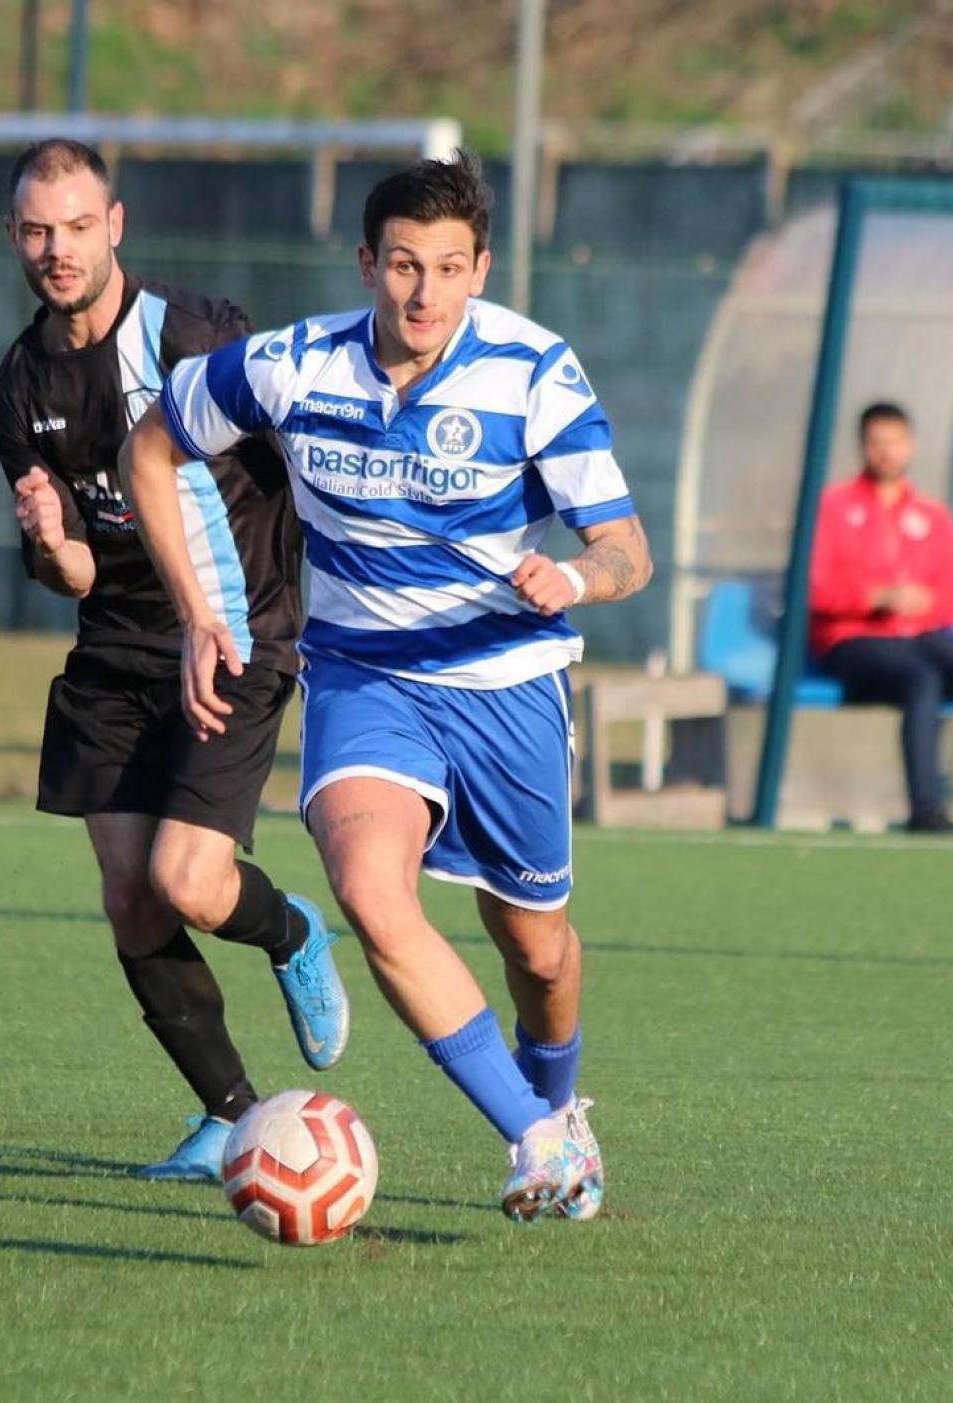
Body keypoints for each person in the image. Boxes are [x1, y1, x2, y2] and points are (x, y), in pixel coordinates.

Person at [117, 152, 652, 1223]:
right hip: (365, 675)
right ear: (367, 263)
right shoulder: (290, 364)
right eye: (404, 265)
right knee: (369, 890)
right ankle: (534, 1137)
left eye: (450, 268)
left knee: (537, 949)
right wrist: (195, 611)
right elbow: (152, 444)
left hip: (507, 679)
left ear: (481, 269)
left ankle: (559, 1104)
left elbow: (628, 548)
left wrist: (577, 576)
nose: (424, 293)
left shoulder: (534, 371)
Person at [0, 139, 349, 1182]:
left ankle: (288, 933)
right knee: (131, 897)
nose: (57, 249)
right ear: (15, 237)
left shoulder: (193, 333)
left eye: (77, 226)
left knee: (189, 881)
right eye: (37, 231)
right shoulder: (16, 388)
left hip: (233, 632)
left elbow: (294, 459)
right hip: (111, 655)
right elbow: (76, 577)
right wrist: (53, 544)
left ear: (117, 226)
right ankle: (227, 1113)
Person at [808, 402, 953, 831]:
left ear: (910, 446)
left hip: (921, 636)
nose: (886, 452)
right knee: (923, 678)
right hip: (853, 640)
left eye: (895, 442)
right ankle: (926, 811)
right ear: (863, 447)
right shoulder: (833, 507)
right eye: (877, 443)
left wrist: (920, 603)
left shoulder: (932, 516)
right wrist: (877, 597)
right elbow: (815, 589)